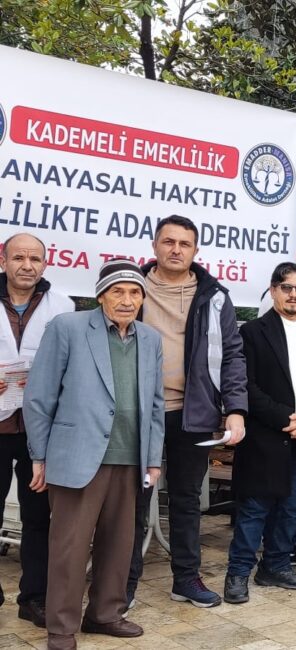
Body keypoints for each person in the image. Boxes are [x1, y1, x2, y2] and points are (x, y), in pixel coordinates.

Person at [25, 258, 164, 650]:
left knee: (119, 546)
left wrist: (153, 459)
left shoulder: (150, 339)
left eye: (135, 292)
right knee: (69, 548)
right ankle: (61, 628)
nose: (126, 299)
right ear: (101, 295)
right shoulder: (68, 328)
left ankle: (105, 614)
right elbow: (40, 396)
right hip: (76, 457)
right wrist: (40, 455)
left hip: (129, 457)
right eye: (118, 291)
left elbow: (154, 406)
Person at [129, 214, 249, 609]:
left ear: (195, 250)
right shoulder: (134, 289)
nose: (176, 249)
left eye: (184, 243)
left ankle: (185, 579)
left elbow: (232, 355)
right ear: (155, 246)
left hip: (194, 414)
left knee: (184, 500)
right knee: (130, 500)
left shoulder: (214, 296)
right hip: (139, 413)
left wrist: (235, 410)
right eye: (168, 242)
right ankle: (122, 584)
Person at [224, 263, 296, 604]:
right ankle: (238, 573)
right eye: (286, 287)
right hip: (266, 437)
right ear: (273, 290)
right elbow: (248, 386)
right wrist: (286, 418)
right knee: (255, 509)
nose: (293, 294)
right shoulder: (253, 333)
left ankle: (275, 566)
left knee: (295, 506)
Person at [0, 233, 73, 627]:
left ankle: (34, 598)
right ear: (4, 259)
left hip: (39, 431)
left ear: (45, 263)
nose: (27, 265)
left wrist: (48, 380)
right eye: (19, 257)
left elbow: (75, 361)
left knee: (39, 518)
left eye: (35, 258)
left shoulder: (62, 306)